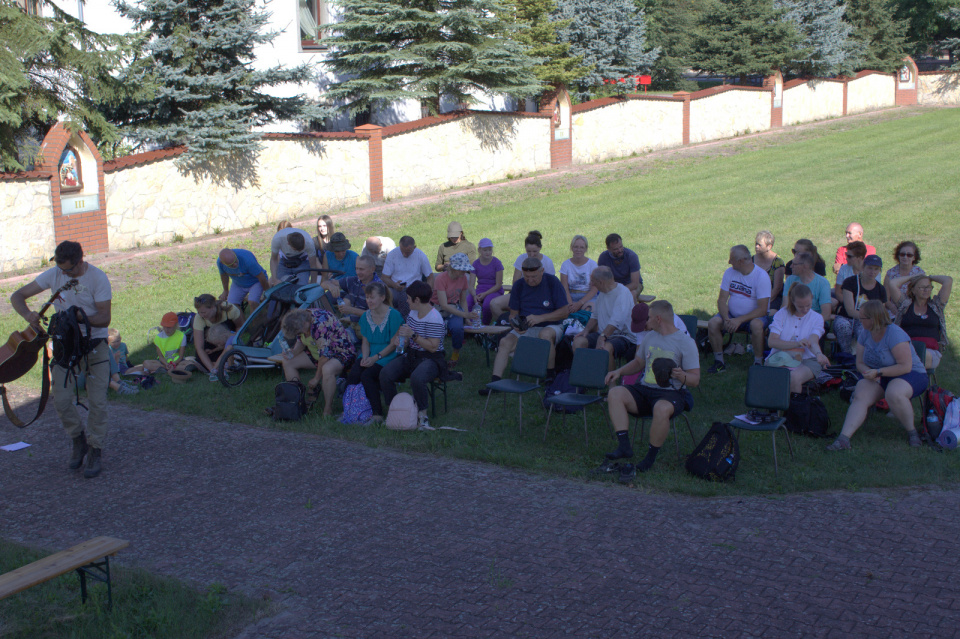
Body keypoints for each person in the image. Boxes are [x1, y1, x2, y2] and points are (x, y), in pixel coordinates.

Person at [10, 241, 112, 478]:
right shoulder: (54, 274)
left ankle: (95, 449)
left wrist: (80, 317)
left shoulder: (98, 278)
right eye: (61, 270)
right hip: (66, 347)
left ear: (80, 260)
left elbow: (105, 318)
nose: (64, 274)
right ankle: (79, 440)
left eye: (69, 270)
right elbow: (17, 296)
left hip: (94, 345)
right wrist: (29, 315)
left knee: (97, 402)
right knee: (62, 400)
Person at [602, 300, 699, 481]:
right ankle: (624, 446)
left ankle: (650, 457)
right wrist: (618, 371)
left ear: (658, 318)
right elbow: (639, 363)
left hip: (672, 393)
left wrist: (681, 376)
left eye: (648, 318)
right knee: (615, 393)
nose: (645, 322)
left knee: (661, 408)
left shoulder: (685, 342)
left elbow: (695, 379)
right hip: (645, 388)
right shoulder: (650, 337)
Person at [827, 300, 929, 451]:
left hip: (910, 373)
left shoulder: (894, 334)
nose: (859, 320)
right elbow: (859, 362)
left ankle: (912, 432)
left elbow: (905, 366)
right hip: (878, 374)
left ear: (873, 318)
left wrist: (879, 372)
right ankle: (844, 438)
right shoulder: (865, 333)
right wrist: (867, 372)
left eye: (862, 318)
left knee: (894, 393)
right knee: (860, 394)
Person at [479, 257, 569, 395]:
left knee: (545, 335)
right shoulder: (519, 285)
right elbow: (513, 314)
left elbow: (564, 312)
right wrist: (516, 325)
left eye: (534, 276)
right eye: (526, 276)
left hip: (551, 325)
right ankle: (495, 383)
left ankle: (550, 376)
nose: (530, 280)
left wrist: (540, 318)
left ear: (542, 271)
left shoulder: (552, 282)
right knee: (504, 342)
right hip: (527, 327)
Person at [380, 281, 447, 429]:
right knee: (385, 373)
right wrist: (401, 341)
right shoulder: (413, 312)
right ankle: (394, 411)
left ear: (417, 300)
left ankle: (422, 415)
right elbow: (408, 338)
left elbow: (433, 347)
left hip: (431, 359)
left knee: (417, 378)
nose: (406, 301)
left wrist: (413, 335)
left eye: (409, 298)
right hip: (412, 355)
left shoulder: (434, 318)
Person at [279, 309, 356, 417]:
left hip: (340, 352)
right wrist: (293, 352)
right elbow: (301, 341)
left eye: (299, 332)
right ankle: (297, 400)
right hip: (316, 353)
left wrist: (316, 378)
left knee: (327, 369)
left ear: (305, 324)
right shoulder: (300, 321)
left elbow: (325, 356)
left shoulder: (321, 324)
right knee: (288, 362)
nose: (300, 334)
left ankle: (328, 408)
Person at [707, 245, 771, 373]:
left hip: (753, 316)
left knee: (757, 325)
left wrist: (739, 320)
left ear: (740, 261)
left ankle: (758, 362)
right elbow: (721, 300)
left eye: (731, 259)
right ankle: (719, 362)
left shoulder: (761, 277)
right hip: (731, 316)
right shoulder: (729, 272)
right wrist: (726, 319)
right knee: (713, 323)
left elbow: (763, 309)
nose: (729, 262)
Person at [346, 281, 402, 425]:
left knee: (367, 375)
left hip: (387, 354)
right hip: (370, 352)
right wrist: (365, 357)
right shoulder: (365, 316)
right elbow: (365, 341)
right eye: (367, 298)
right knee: (354, 374)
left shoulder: (393, 315)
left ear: (382, 297)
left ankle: (377, 413)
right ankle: (353, 409)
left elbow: (393, 344)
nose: (369, 301)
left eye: (372, 297)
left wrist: (376, 358)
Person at [765, 284, 831, 393]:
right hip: (780, 357)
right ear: (792, 301)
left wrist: (819, 354)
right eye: (800, 306)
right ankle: (776, 406)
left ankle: (794, 406)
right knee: (779, 376)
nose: (805, 309)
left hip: (808, 360)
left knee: (794, 377)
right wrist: (797, 344)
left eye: (808, 305)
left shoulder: (817, 318)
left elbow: (813, 340)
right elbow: (772, 342)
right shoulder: (782, 314)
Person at [571, 267, 636, 373]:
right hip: (603, 333)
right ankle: (585, 377)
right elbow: (595, 316)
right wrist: (586, 331)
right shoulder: (602, 293)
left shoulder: (622, 293)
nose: (591, 284)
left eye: (593, 281)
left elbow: (616, 322)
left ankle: (611, 384)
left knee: (605, 348)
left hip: (623, 336)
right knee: (578, 342)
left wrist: (602, 337)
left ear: (600, 282)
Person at [490, 230, 556, 319]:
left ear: (540, 248)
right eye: (529, 251)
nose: (532, 254)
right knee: (494, 304)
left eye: (535, 251)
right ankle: (506, 325)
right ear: (525, 248)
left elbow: (551, 285)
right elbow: (515, 282)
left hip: (540, 295)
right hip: (521, 293)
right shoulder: (521, 259)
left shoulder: (547, 262)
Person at [892, 274, 952, 370]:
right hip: (907, 349)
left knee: (916, 356)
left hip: (930, 351)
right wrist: (913, 277)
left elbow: (948, 280)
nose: (926, 290)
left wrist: (930, 277)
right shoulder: (905, 305)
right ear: (913, 290)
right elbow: (893, 283)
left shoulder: (936, 306)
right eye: (922, 287)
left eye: (929, 287)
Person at [430, 253, 478, 367]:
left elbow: (463, 301)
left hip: (454, 306)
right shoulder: (441, 278)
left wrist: (467, 319)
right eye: (462, 270)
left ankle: (456, 352)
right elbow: (444, 305)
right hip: (438, 308)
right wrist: (465, 315)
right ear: (454, 268)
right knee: (436, 328)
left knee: (457, 328)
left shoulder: (463, 279)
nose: (464, 272)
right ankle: (436, 352)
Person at [834, 255, 887, 354]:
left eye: (876, 269)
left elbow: (880, 312)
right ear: (863, 267)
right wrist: (868, 317)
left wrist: (868, 320)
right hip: (846, 317)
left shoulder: (880, 289)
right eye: (870, 268)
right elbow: (850, 311)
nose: (873, 272)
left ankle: (864, 356)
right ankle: (847, 355)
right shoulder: (850, 282)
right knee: (843, 326)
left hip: (867, 320)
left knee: (864, 329)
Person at [192, 294, 245, 375]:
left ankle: (224, 366)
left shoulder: (230, 310)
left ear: (213, 307)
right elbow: (199, 348)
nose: (201, 315)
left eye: (203, 312)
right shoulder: (199, 318)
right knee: (202, 355)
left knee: (232, 354)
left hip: (229, 342)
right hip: (214, 345)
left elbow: (240, 327)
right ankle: (220, 367)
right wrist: (212, 369)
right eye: (199, 312)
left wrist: (233, 341)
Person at [382, 236, 434, 317]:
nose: (404, 254)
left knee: (406, 298)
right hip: (395, 288)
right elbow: (384, 277)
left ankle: (405, 320)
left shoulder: (420, 255)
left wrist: (427, 293)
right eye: (402, 251)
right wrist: (394, 284)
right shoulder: (392, 254)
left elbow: (430, 277)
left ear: (414, 247)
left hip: (414, 288)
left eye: (408, 252)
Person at [328, 254, 381, 323]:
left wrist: (351, 311)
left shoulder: (379, 288)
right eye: (356, 268)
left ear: (372, 269)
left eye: (361, 269)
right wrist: (330, 286)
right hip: (353, 320)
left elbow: (376, 316)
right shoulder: (355, 280)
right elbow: (326, 283)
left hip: (368, 326)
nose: (358, 272)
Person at [782, 252, 833, 321]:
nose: (790, 266)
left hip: (815, 321)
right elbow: (785, 307)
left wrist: (806, 324)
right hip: (793, 320)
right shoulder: (790, 280)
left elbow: (826, 314)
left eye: (794, 264)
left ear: (805, 266)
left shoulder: (822, 283)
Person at [561, 235, 598, 311]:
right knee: (565, 311)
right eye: (576, 247)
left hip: (588, 296)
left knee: (588, 311)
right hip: (571, 296)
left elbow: (595, 288)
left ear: (586, 249)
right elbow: (565, 288)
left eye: (582, 247)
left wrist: (580, 303)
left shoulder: (592, 265)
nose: (578, 250)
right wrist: (570, 304)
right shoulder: (565, 265)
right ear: (572, 248)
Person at [471, 238, 504, 325]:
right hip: (480, 290)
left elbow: (498, 284)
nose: (488, 252)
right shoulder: (475, 264)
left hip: (494, 290)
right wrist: (474, 295)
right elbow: (471, 285)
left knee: (487, 304)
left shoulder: (497, 263)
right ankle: (470, 326)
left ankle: (485, 326)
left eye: (490, 250)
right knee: (468, 301)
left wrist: (485, 294)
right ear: (479, 250)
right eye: (485, 250)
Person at [884, 241, 925, 308]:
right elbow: (886, 299)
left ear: (914, 257)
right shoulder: (890, 273)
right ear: (898, 256)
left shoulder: (919, 273)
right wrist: (894, 310)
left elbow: (922, 297)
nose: (905, 257)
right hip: (894, 310)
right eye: (902, 254)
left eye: (909, 255)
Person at [753, 230, 785, 310]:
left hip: (772, 299)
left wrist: (762, 303)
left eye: (760, 245)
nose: (756, 246)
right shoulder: (751, 260)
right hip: (753, 297)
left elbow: (777, 288)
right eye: (756, 244)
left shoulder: (778, 262)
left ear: (769, 246)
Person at [106, 328, 138, 395]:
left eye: (118, 341)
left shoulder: (123, 345)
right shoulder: (109, 349)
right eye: (113, 342)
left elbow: (125, 357)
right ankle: (120, 388)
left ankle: (120, 382)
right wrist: (116, 358)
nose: (116, 343)